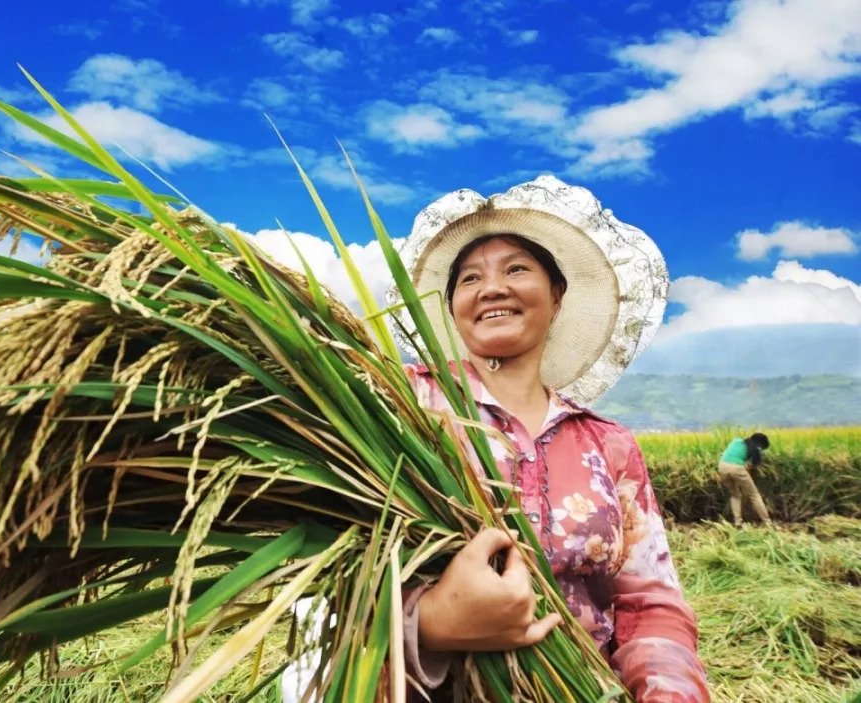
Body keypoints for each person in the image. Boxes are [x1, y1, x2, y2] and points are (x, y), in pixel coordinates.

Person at [281, 176, 710, 702]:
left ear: (556, 296)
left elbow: (650, 602)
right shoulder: (398, 404)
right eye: (468, 279)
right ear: (452, 307)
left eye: (517, 269)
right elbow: (329, 566)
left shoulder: (608, 444)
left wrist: (667, 692)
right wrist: (432, 624)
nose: (492, 288)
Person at [717, 432, 772, 527]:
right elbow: (750, 466)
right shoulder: (755, 450)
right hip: (736, 468)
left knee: (735, 495)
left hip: (722, 467)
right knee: (754, 495)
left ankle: (738, 522)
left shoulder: (736, 441)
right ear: (760, 444)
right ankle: (767, 522)